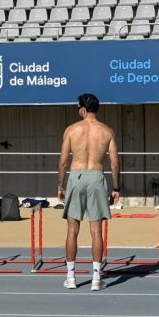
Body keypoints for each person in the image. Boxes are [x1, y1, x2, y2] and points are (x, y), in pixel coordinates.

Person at [57, 93, 120, 291]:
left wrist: (60, 185)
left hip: (76, 176)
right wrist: (116, 187)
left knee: (72, 229)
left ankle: (71, 277)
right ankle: (96, 278)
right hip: (96, 176)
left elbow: (63, 162)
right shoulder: (107, 131)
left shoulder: (71, 129)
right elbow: (115, 164)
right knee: (96, 230)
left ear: (83, 109)